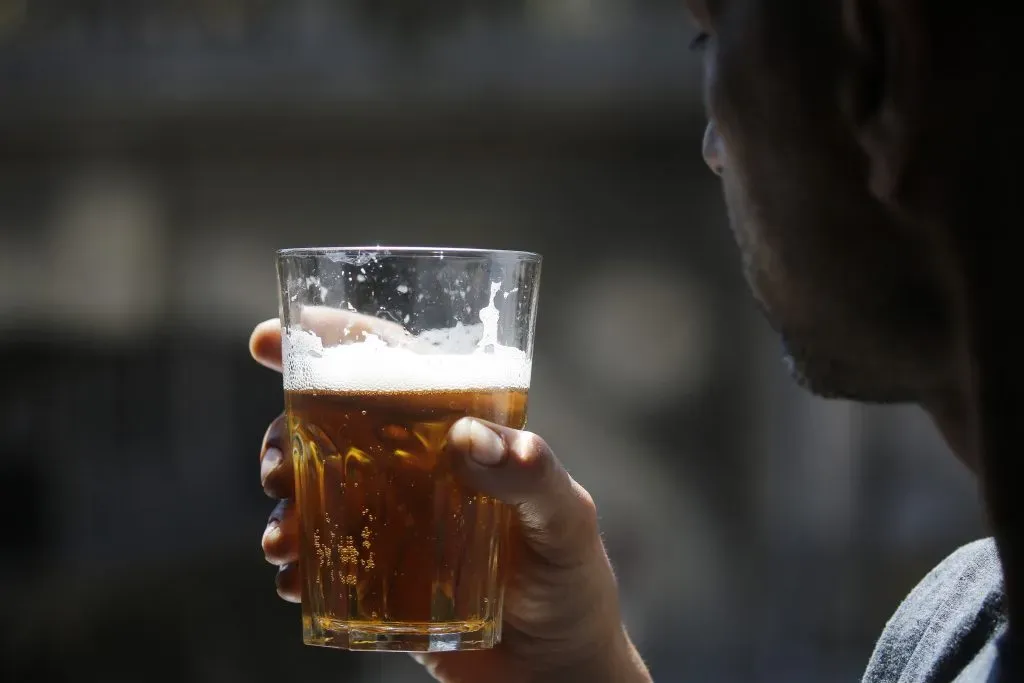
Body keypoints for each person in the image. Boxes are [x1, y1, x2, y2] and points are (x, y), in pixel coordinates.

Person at [251, 1, 1021, 680]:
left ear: (880, 54)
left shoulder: (953, 632)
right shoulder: (950, 636)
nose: (713, 145)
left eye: (710, 40)